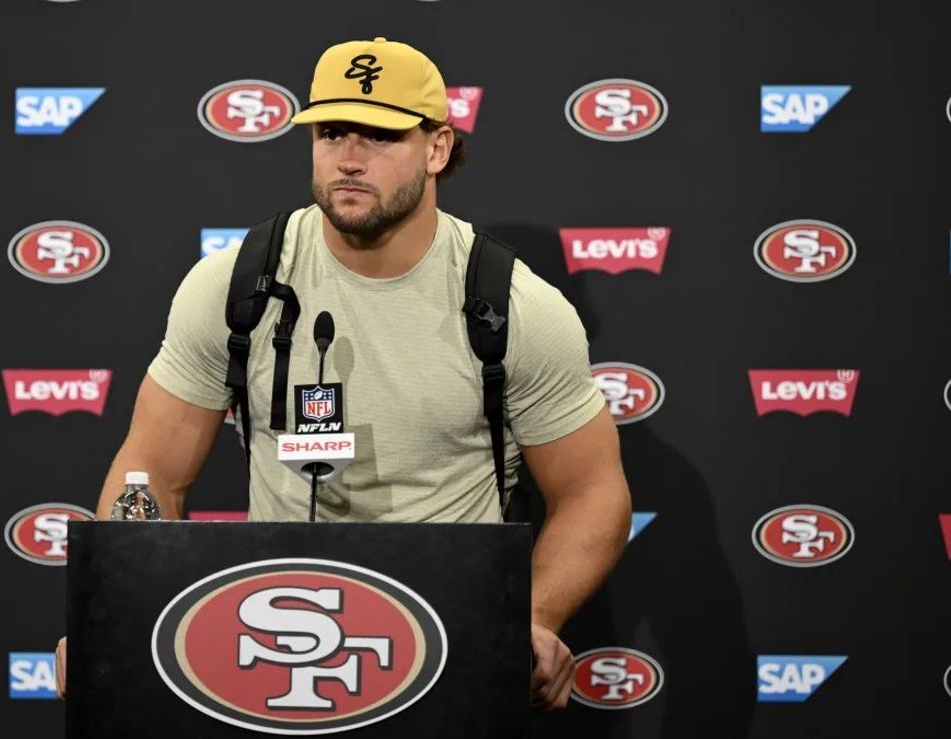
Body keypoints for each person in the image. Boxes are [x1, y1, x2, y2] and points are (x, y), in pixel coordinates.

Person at [56, 36, 632, 712]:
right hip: (277, 649)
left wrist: (530, 619)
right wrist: (115, 608)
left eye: (381, 135)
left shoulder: (513, 306)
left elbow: (593, 492)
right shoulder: (236, 284)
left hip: (451, 655)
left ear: (438, 148)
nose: (350, 159)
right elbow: (151, 468)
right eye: (331, 132)